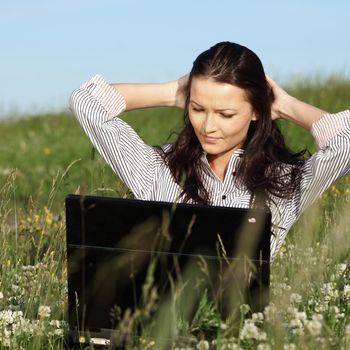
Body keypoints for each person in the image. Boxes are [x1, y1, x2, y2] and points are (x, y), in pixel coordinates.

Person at [70, 42, 350, 263]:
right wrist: (170, 92)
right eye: (197, 108)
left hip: (243, 330)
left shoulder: (286, 182)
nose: (208, 126)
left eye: (225, 114)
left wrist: (286, 106)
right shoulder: (159, 169)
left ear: (256, 111)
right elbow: (85, 102)